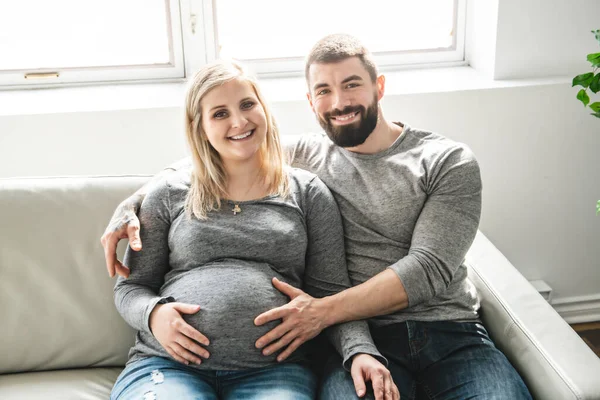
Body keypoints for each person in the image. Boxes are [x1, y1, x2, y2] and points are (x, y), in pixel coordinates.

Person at [103, 34, 532, 399]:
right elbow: (205, 160)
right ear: (310, 101)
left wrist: (324, 314)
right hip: (352, 336)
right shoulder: (303, 155)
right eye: (324, 90)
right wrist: (130, 204)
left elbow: (428, 269)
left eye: (351, 85)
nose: (340, 102)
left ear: (379, 86)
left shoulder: (444, 161)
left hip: (448, 332)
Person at [107, 59, 398, 400]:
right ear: (199, 126)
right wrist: (154, 314)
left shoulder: (307, 192)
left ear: (263, 108)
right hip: (168, 365)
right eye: (220, 113)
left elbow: (331, 295)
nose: (239, 121)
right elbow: (131, 288)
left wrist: (360, 350)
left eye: (247, 105)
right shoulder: (169, 192)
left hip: (274, 373)